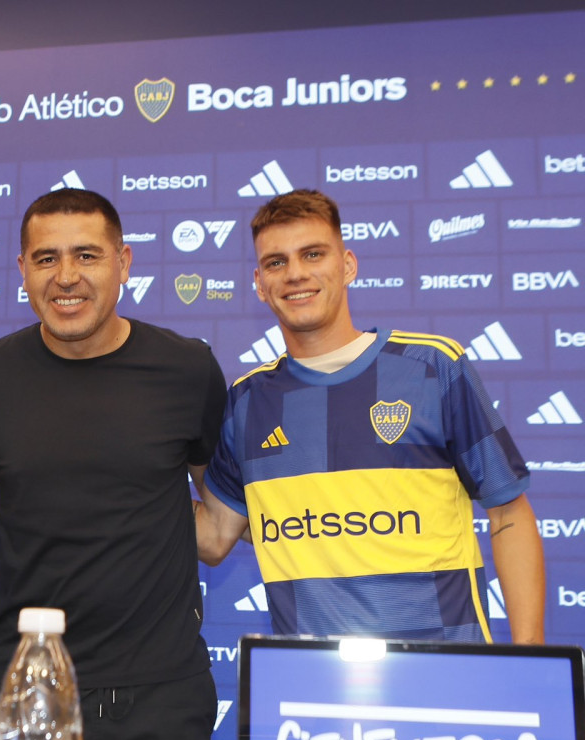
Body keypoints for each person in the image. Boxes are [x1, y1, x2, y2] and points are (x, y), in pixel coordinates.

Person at [0, 189, 227, 740]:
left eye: (87, 255)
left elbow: (215, 523)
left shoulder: (187, 369)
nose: (65, 276)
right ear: (22, 269)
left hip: (160, 696)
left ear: (123, 263)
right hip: (31, 692)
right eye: (46, 258)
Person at [194, 189, 545, 643]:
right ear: (260, 283)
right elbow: (216, 535)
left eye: (313, 254)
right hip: (310, 684)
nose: (296, 273)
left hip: (449, 676)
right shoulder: (247, 402)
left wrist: (530, 657)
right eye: (276, 262)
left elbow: (508, 513)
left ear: (348, 265)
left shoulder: (432, 366)